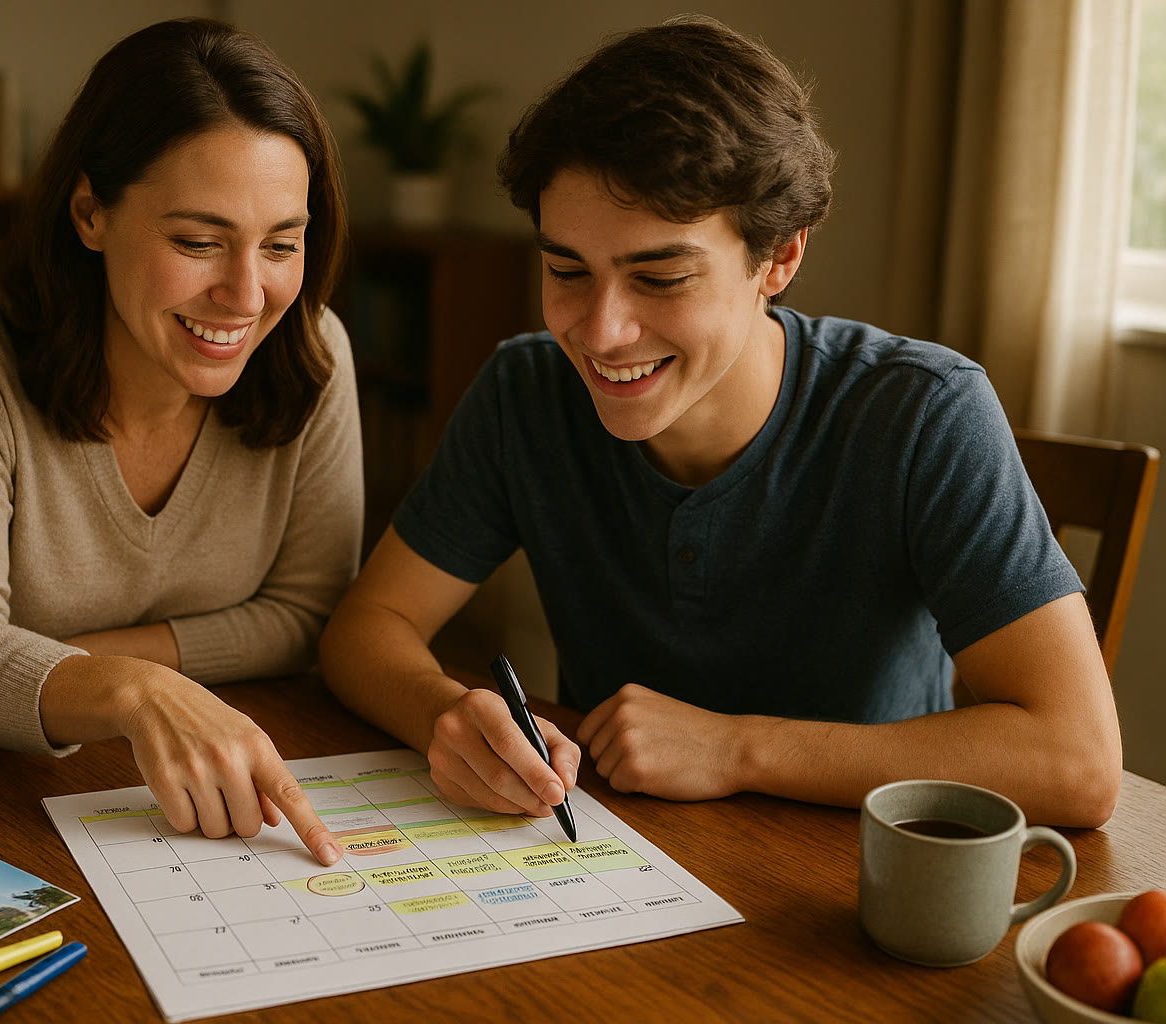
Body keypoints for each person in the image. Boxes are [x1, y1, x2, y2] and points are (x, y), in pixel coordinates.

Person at [319, 16, 1121, 829]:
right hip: (621, 863)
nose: (600, 332)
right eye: (567, 269)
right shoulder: (525, 393)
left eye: (661, 277)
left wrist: (735, 748)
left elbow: (1077, 762)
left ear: (778, 258)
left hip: (851, 882)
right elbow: (367, 629)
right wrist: (445, 714)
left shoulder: (923, 412)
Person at [0, 18, 361, 865]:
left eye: (282, 244)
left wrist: (75, 665)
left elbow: (310, 616)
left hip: (200, 778)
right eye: (198, 242)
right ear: (90, 211)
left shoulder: (317, 351)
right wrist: (138, 691)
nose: (246, 295)